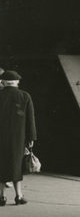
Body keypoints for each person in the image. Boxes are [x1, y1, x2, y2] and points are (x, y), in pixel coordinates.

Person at [0, 70, 36, 206]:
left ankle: (1, 196)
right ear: (17, 82)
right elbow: (30, 119)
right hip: (18, 138)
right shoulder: (25, 96)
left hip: (1, 137)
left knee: (1, 164)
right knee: (16, 166)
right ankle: (18, 196)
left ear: (3, 82)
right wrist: (31, 137)